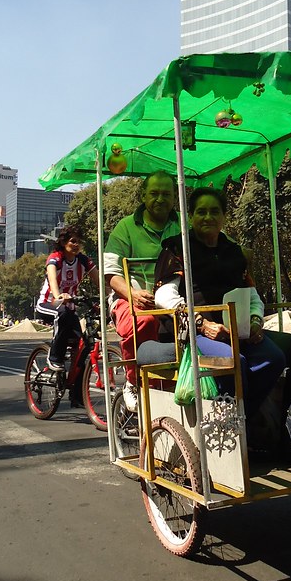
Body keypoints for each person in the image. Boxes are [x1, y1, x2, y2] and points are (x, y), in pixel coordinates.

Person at [153, 187, 287, 422]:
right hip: (193, 333)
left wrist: (255, 321)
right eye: (201, 212)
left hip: (236, 329)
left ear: (224, 217)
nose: (208, 217)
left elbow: (252, 295)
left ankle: (244, 418)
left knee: (274, 358)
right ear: (191, 217)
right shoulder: (176, 248)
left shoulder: (234, 251)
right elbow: (164, 295)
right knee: (234, 361)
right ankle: (233, 424)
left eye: (215, 211)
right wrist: (202, 324)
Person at [103, 171, 181, 410]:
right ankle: (132, 380)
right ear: (144, 196)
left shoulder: (183, 225)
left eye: (166, 194)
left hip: (173, 297)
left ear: (174, 197)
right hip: (131, 298)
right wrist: (133, 295)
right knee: (145, 322)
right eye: (154, 194)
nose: (160, 199)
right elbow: (110, 274)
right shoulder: (126, 227)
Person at [35, 225, 99, 372]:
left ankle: (76, 391)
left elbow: (100, 283)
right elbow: (52, 279)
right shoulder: (56, 258)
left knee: (81, 345)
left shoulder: (83, 261)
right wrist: (58, 296)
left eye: (79, 242)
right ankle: (54, 357)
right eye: (73, 241)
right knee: (61, 313)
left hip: (69, 309)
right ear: (64, 243)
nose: (76, 245)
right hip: (47, 304)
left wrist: (109, 296)